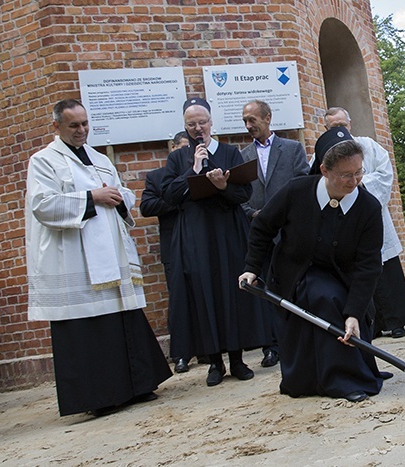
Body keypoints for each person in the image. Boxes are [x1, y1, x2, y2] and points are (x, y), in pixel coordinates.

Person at [25, 99, 172, 417]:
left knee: (123, 320)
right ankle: (100, 397)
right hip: (76, 257)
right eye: (74, 125)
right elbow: (43, 204)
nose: (82, 131)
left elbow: (123, 194)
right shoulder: (44, 161)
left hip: (111, 254)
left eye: (85, 124)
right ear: (57, 127)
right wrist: (93, 197)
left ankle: (136, 386)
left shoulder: (100, 159)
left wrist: (119, 197)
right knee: (89, 329)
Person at [239, 128, 387, 403]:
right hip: (293, 274)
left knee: (335, 300)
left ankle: (345, 378)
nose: (354, 181)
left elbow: (369, 265)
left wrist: (355, 313)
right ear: (324, 170)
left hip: (345, 278)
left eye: (359, 172)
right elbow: (262, 227)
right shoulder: (296, 191)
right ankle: (311, 379)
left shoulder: (368, 208)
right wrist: (252, 268)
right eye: (346, 175)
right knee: (322, 294)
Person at [161, 97, 270, 387]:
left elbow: (242, 194)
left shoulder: (230, 152)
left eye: (202, 122)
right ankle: (214, 362)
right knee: (203, 292)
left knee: (229, 291)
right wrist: (193, 171)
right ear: (185, 127)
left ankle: (237, 359)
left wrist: (222, 186)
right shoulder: (177, 158)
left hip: (227, 231)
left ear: (211, 123)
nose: (198, 128)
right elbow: (170, 196)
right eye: (191, 124)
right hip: (195, 234)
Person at [318, 107, 405, 339]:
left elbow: (385, 175)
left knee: (385, 268)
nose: (340, 129)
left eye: (343, 124)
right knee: (359, 272)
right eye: (334, 127)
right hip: (345, 224)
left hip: (372, 216)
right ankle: (373, 325)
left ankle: (397, 321)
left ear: (350, 124)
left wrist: (360, 184)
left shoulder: (369, 146)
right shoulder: (323, 154)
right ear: (326, 129)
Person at [240, 100, 309, 368]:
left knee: (297, 285)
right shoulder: (242, 155)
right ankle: (273, 346)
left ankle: (301, 339)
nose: (248, 125)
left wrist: (286, 215)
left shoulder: (292, 149)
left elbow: (303, 184)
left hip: (290, 232)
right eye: (245, 121)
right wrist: (253, 214)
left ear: (267, 118)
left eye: (252, 119)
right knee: (266, 289)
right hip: (261, 234)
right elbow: (239, 195)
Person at [140, 134, 185, 372]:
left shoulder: (199, 173)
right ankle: (181, 355)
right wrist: (177, 200)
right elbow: (146, 207)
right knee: (177, 300)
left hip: (197, 245)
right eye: (180, 149)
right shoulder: (157, 177)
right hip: (172, 246)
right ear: (172, 148)